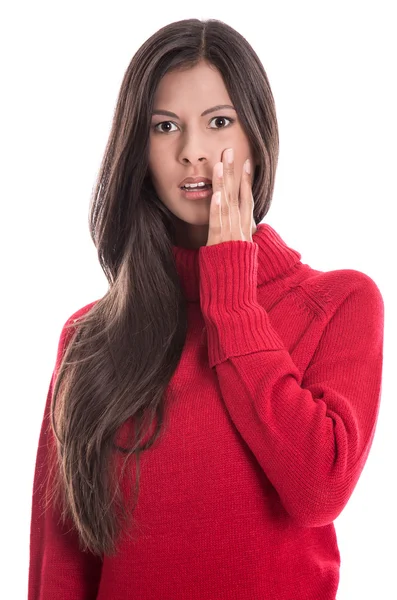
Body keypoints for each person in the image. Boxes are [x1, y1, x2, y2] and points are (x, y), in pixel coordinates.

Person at [28, 18, 384, 600]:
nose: (192, 152)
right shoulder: (90, 337)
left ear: (256, 135)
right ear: (138, 149)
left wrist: (232, 297)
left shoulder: (339, 304)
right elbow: (61, 564)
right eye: (165, 127)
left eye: (219, 122)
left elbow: (320, 489)